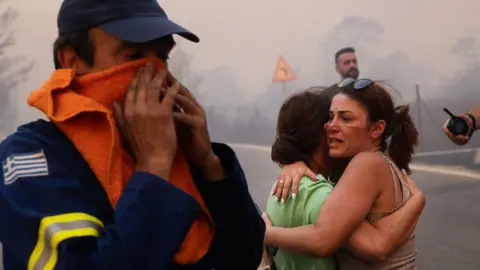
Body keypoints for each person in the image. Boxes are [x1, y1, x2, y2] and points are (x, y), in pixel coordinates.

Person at [0, 0, 265, 269]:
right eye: (133, 57)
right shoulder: (31, 158)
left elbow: (243, 258)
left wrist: (210, 166)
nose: (154, 72)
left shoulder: (179, 150)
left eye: (162, 57)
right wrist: (153, 168)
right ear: (72, 60)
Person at [265, 79, 424, 269]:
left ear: (376, 129)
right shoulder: (373, 164)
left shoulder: (367, 163)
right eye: (330, 117)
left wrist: (263, 232)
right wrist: (296, 161)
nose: (331, 126)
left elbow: (324, 240)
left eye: (346, 118)